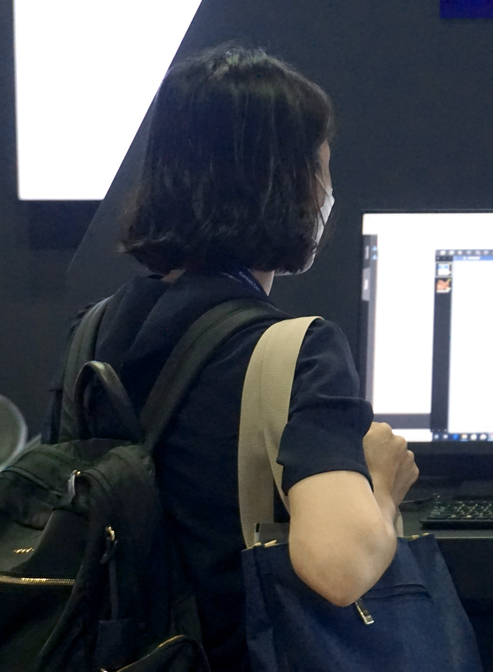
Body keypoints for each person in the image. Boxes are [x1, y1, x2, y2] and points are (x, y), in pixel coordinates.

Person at [45, 46, 417, 671]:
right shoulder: (299, 353)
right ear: (286, 185)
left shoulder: (92, 332)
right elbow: (340, 567)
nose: (327, 191)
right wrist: (382, 485)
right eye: (321, 168)